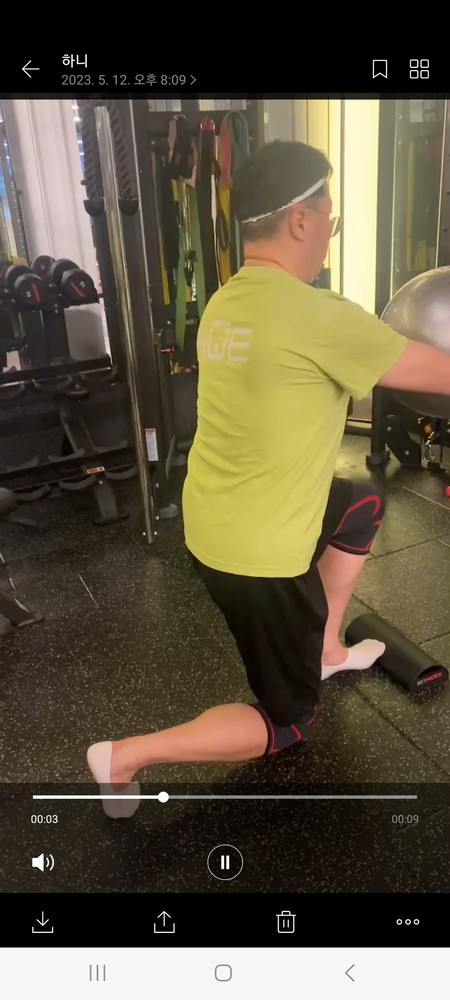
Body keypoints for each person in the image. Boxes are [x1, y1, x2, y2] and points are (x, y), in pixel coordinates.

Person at [87, 140, 450, 818]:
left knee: (360, 503)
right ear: (302, 221)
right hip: (260, 560)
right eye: (331, 217)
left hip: (211, 522)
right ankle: (124, 756)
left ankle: (327, 648)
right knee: (287, 724)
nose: (330, 231)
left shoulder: (225, 303)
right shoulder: (320, 316)